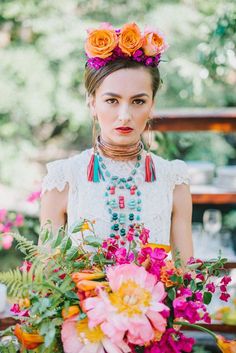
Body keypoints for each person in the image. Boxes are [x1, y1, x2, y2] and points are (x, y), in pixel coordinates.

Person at [40, 22, 193, 265]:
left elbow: (187, 279)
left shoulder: (174, 180)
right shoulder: (64, 179)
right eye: (112, 100)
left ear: (152, 105)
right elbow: (47, 283)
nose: (125, 115)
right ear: (92, 103)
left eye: (138, 101)